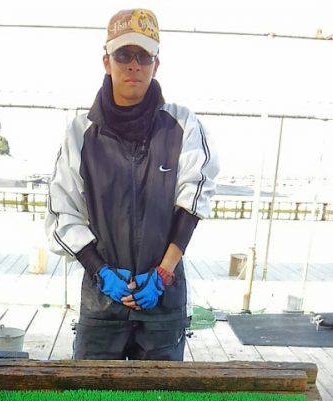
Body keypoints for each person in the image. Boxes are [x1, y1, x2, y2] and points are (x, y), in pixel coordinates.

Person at [46, 8, 219, 361]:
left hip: (162, 302)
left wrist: (163, 273)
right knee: (90, 400)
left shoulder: (182, 124)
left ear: (156, 64)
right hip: (101, 299)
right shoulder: (80, 133)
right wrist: (101, 272)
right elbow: (63, 213)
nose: (134, 65)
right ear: (107, 61)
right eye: (124, 54)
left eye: (144, 56)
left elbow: (196, 196)